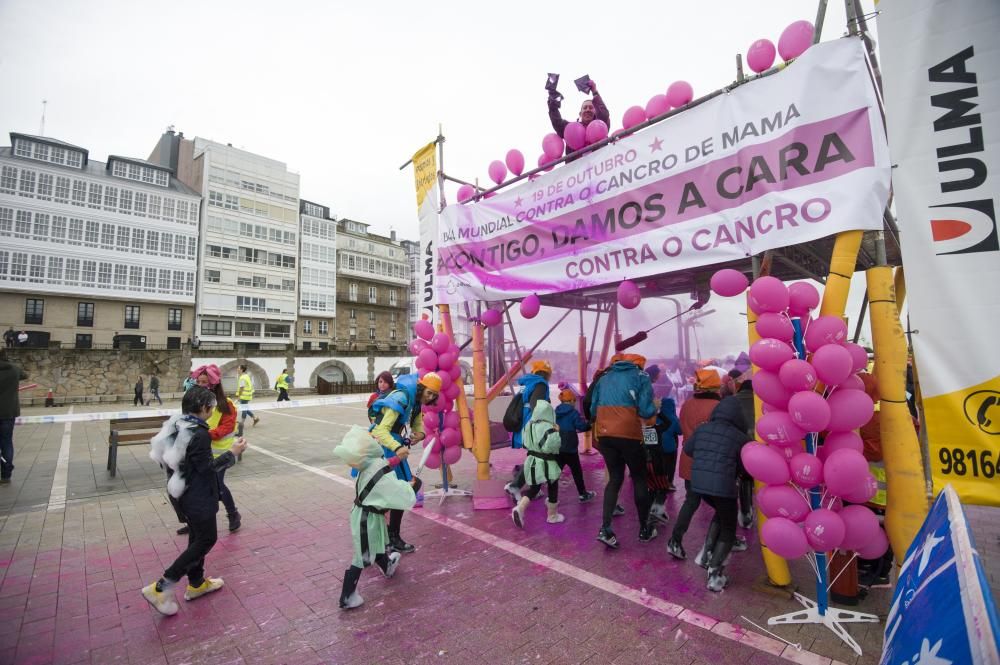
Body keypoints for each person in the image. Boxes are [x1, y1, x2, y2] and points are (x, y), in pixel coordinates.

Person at [143, 386, 248, 615]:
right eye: (210, 407)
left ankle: (197, 583)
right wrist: (232, 453)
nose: (212, 411)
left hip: (181, 494)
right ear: (203, 408)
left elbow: (165, 458)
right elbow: (207, 470)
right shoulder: (198, 434)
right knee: (206, 539)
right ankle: (161, 586)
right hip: (198, 497)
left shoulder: (176, 425)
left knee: (196, 537)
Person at [667, 396, 748, 592]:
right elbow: (745, 466)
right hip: (723, 487)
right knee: (728, 528)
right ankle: (715, 573)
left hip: (699, 484)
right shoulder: (740, 437)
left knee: (720, 514)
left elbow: (688, 449)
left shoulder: (703, 428)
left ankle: (706, 555)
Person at [334, 427, 421, 610]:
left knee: (378, 541)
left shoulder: (367, 464)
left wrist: (398, 458)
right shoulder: (378, 473)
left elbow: (385, 464)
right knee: (362, 555)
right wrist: (412, 486)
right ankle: (347, 596)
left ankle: (387, 565)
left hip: (367, 515)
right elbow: (397, 492)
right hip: (366, 519)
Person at [589, 353, 657, 549]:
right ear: (639, 365)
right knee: (638, 478)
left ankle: (605, 528)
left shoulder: (604, 377)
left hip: (605, 435)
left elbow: (593, 409)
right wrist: (654, 409)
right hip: (630, 434)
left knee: (615, 479)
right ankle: (644, 528)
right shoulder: (641, 377)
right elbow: (645, 410)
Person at [369, 372, 441, 553]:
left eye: (434, 395)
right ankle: (384, 534)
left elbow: (417, 424)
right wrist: (397, 447)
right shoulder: (402, 397)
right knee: (403, 489)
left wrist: (421, 434)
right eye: (429, 392)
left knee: (402, 490)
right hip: (386, 447)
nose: (430, 397)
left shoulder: (415, 402)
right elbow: (381, 430)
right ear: (422, 387)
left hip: (394, 447)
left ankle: (386, 535)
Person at [177, 365, 241, 534]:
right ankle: (193, 522)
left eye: (204, 382)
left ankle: (233, 514)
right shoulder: (195, 400)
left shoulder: (225, 404)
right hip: (198, 452)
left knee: (218, 486)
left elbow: (227, 427)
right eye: (198, 381)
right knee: (194, 487)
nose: (200, 385)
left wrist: (204, 435)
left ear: (213, 384)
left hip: (219, 453)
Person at [511, 400, 566, 528]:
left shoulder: (529, 425)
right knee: (553, 486)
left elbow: (525, 442)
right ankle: (552, 515)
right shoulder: (549, 427)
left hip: (532, 461)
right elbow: (553, 447)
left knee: (534, 488)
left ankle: (520, 508)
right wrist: (557, 432)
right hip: (547, 462)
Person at [504, 360, 553, 501]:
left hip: (523, 426)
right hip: (532, 427)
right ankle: (516, 486)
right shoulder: (541, 384)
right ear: (547, 374)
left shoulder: (528, 384)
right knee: (537, 457)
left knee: (536, 457)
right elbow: (536, 405)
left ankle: (530, 488)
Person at [548, 79, 611, 157]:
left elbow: (604, 115)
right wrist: (553, 103)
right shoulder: (571, 129)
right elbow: (556, 122)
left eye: (591, 108)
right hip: (576, 168)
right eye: (585, 108)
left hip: (602, 166)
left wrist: (594, 92)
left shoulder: (600, 125)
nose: (588, 110)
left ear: (596, 111)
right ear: (580, 114)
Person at [554, 389, 596, 502]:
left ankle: (550, 496)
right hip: (570, 448)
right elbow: (581, 427)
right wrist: (590, 423)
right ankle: (583, 494)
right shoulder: (573, 413)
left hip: (557, 446)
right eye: (574, 401)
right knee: (577, 472)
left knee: (555, 472)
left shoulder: (555, 411)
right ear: (572, 400)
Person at [649, 382, 681, 524]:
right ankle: (660, 503)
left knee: (655, 478)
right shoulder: (672, 419)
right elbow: (679, 431)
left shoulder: (652, 421)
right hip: (669, 450)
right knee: (667, 473)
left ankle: (652, 504)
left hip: (654, 454)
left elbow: (648, 440)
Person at [733, 371, 756, 528]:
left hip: (740, 446)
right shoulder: (760, 400)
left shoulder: (733, 402)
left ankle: (746, 512)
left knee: (744, 480)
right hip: (760, 444)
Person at [0, 351, 27, 484]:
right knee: (6, 442)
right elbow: (24, 375)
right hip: (9, 412)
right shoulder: (14, 369)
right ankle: (6, 474)